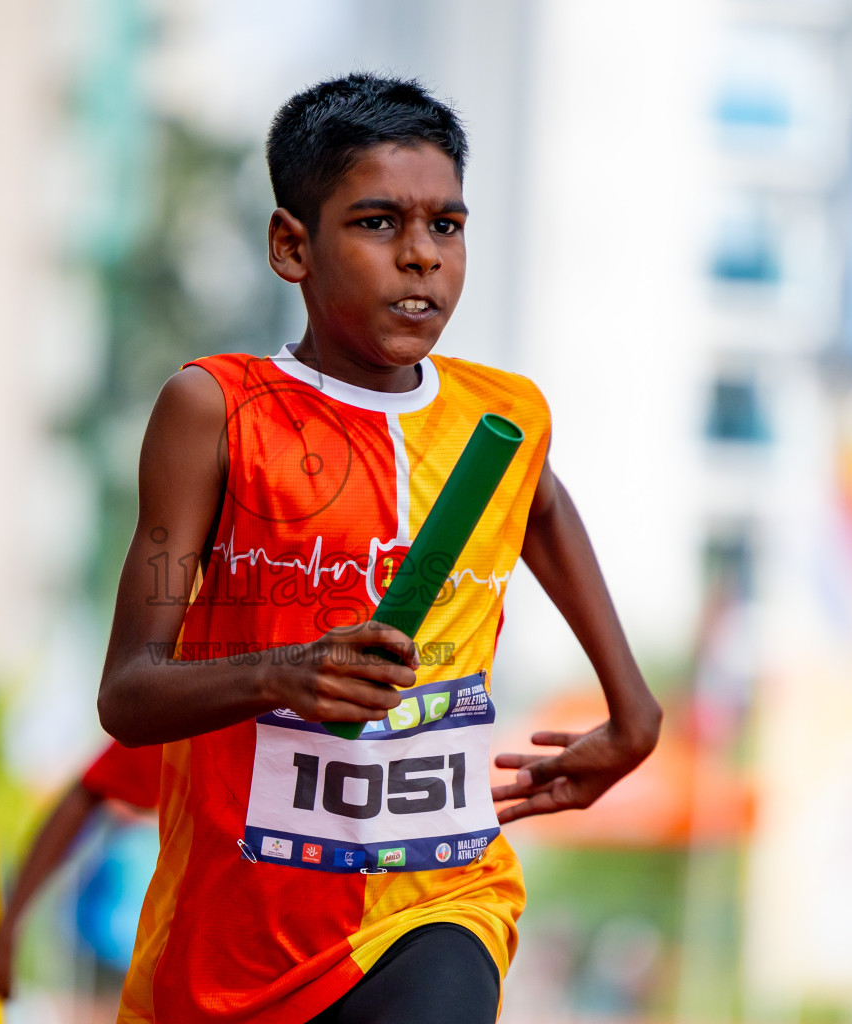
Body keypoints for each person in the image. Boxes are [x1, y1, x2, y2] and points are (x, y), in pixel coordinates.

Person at [96, 73, 663, 1024]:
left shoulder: (503, 416)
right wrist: (285, 674)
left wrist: (632, 706)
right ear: (292, 246)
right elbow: (128, 694)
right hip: (235, 949)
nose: (420, 259)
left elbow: (543, 508)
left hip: (441, 898)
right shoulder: (216, 410)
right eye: (376, 223)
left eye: (447, 226)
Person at [0, 739, 161, 1016]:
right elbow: (90, 790)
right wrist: (4, 937)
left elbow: (88, 793)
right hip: (122, 959)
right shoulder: (191, 720)